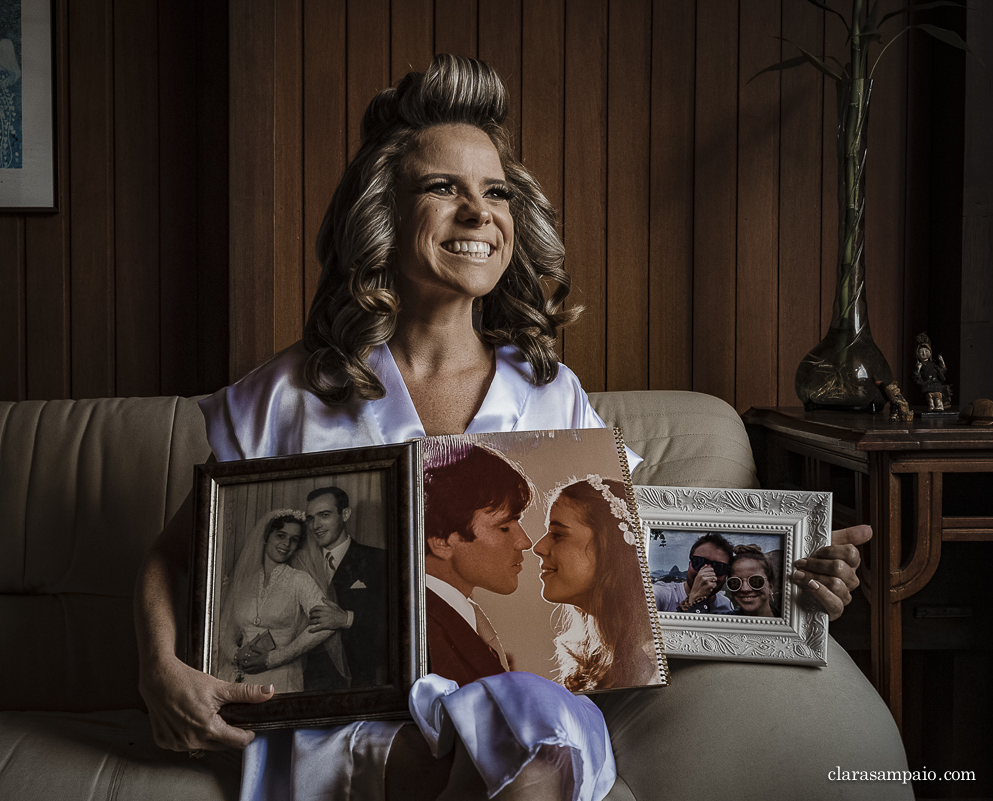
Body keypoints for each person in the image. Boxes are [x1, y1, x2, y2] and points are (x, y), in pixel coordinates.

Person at [133, 53, 868, 799]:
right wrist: (160, 668)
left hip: (527, 718)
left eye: (496, 192)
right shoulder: (292, 390)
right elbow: (174, 553)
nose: (479, 212)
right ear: (384, 212)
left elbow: (639, 567)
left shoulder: (551, 392)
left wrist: (789, 575)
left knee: (527, 726)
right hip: (351, 727)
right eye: (443, 188)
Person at [532, 476, 661, 692]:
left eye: (557, 534)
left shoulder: (653, 662)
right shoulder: (592, 658)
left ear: (608, 547)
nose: (538, 547)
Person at [421, 441, 533, 685]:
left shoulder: (452, 615)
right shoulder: (426, 637)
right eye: (504, 527)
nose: (525, 542)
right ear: (441, 541)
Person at [215, 510, 349, 693]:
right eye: (280, 536)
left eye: (294, 539)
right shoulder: (244, 583)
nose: (286, 544)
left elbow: (326, 625)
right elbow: (225, 631)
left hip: (280, 678)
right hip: (237, 676)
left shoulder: (299, 580)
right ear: (265, 537)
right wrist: (237, 656)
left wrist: (274, 658)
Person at [301, 486, 387, 689]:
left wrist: (346, 618)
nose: (316, 526)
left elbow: (393, 622)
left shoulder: (379, 560)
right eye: (311, 518)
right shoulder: (300, 564)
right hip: (305, 682)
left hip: (359, 682)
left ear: (345, 514)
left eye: (324, 515)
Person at [652, 532, 737, 614]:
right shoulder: (660, 595)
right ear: (690, 564)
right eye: (699, 562)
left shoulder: (726, 606)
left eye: (719, 567)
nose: (706, 572)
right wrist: (694, 599)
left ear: (726, 574)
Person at [727, 544, 779, 618]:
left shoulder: (791, 620)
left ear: (770, 586)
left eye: (755, 581)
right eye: (736, 582)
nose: (745, 589)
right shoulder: (720, 621)